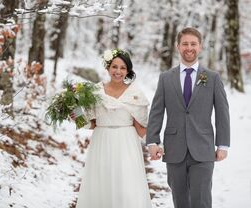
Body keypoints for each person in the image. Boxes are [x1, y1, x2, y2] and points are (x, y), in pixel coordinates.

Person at [146, 27, 230, 208]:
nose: (189, 48)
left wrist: (222, 144)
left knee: (201, 200)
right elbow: (157, 111)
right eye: (185, 44)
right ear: (178, 47)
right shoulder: (166, 78)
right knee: (181, 201)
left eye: (193, 44)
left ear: (200, 47)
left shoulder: (213, 78)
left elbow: (222, 112)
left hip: (203, 148)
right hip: (175, 149)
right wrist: (153, 141)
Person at [75, 49, 152, 208]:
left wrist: (156, 144)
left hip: (126, 143)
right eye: (114, 67)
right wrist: (76, 116)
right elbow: (93, 122)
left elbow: (141, 128)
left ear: (128, 70)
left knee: (126, 186)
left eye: (123, 68)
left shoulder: (135, 93)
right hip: (101, 141)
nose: (118, 71)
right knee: (101, 184)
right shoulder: (96, 90)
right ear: (108, 68)